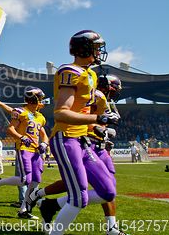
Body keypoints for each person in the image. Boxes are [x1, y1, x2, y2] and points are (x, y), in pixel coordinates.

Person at [30, 74, 127, 235]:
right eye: (115, 89)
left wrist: (105, 132)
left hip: (99, 145)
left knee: (107, 187)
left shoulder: (101, 98)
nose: (116, 93)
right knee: (76, 184)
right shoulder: (90, 95)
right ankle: (47, 201)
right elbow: (79, 118)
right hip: (86, 143)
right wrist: (100, 127)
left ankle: (110, 227)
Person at [43, 30, 118, 235]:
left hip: (82, 139)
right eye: (96, 47)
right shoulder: (70, 71)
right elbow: (61, 113)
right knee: (79, 199)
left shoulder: (90, 74)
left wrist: (100, 128)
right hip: (66, 137)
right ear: (85, 47)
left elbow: (83, 111)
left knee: (108, 191)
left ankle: (50, 205)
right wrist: (98, 118)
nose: (99, 51)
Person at [0, 87, 49, 219]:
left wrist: (44, 143)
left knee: (36, 181)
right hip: (23, 149)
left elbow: (44, 135)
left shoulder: (40, 117)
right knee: (24, 179)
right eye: (40, 98)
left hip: (36, 151)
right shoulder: (21, 112)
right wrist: (21, 137)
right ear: (34, 99)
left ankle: (24, 210)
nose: (42, 101)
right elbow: (10, 129)